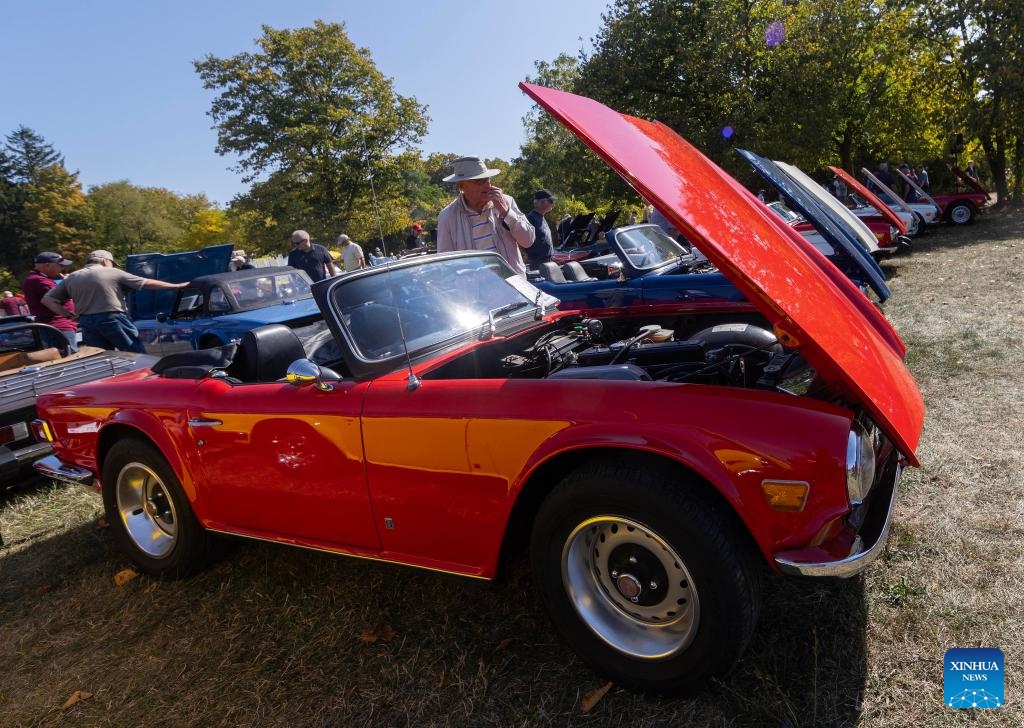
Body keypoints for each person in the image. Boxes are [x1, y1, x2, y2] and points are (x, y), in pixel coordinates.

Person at [42, 250, 187, 353]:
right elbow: (146, 283)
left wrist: (68, 314)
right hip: (112, 318)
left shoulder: (73, 277)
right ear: (105, 261)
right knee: (134, 354)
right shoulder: (111, 272)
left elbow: (47, 299)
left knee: (104, 358)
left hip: (86, 322)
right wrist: (176, 286)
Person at [436, 156, 534, 275]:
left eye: (487, 179)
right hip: (475, 291)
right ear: (461, 186)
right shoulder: (448, 216)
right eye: (479, 181)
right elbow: (446, 263)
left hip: (512, 285)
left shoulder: (506, 202)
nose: (487, 185)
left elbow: (528, 240)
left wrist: (506, 212)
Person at [21, 252, 78, 351]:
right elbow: (60, 298)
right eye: (59, 265)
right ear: (47, 265)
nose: (61, 268)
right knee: (69, 359)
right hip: (58, 327)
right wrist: (68, 283)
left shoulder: (38, 278)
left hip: (57, 326)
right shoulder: (39, 281)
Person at [524, 189, 555, 268]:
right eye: (550, 201)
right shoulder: (530, 218)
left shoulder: (541, 217)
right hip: (538, 262)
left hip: (547, 261)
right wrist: (525, 254)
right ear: (542, 202)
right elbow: (521, 238)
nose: (553, 204)